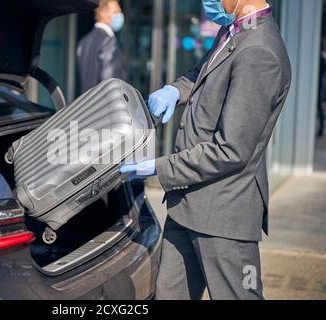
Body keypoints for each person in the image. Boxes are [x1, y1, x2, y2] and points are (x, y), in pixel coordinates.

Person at [121, 0, 291, 300]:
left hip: (224, 215)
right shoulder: (235, 30)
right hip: (187, 205)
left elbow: (230, 150)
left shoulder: (260, 52)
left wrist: (158, 168)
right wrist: (177, 89)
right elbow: (205, 71)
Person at [77, 0, 126, 93]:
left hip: (87, 104)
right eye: (116, 12)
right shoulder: (108, 41)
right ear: (102, 13)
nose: (120, 16)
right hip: (106, 106)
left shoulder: (83, 42)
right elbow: (111, 85)